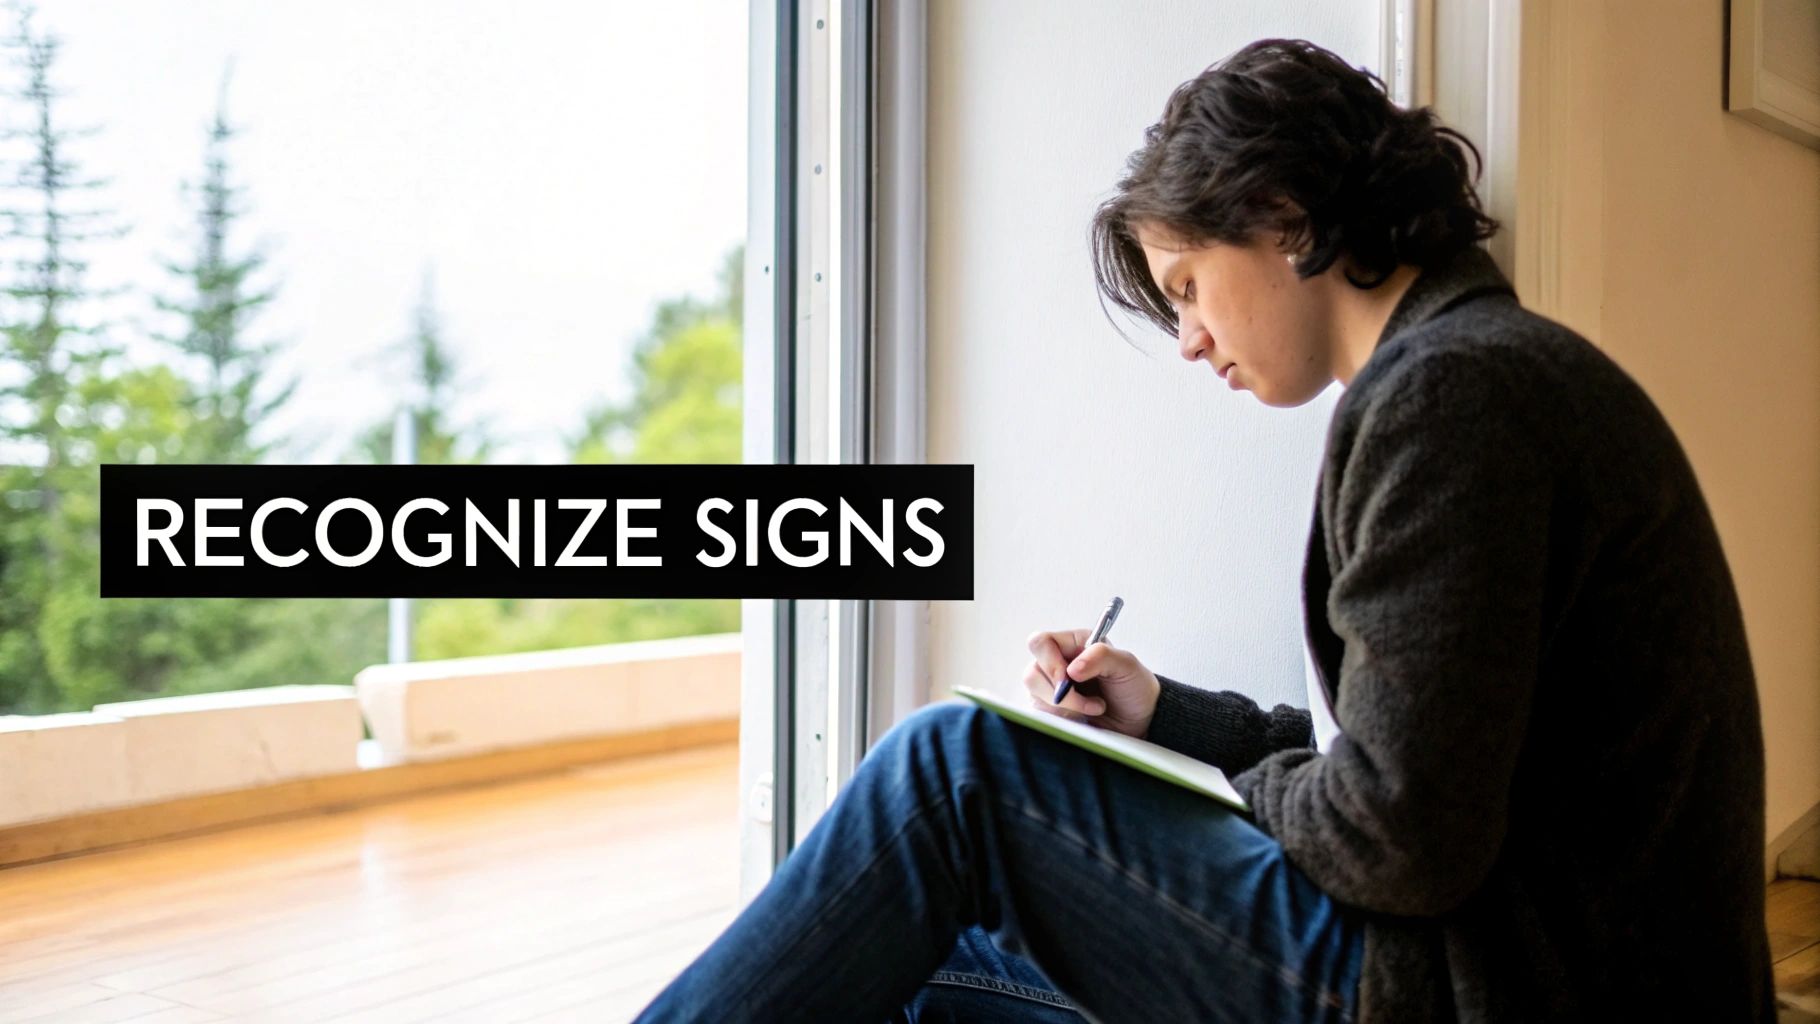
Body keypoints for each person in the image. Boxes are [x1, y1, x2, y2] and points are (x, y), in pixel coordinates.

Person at [633, 37, 1775, 1023]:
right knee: (950, 969)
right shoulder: (1481, 375)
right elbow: (1397, 765)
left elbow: (1395, 839)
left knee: (954, 773)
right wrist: (1160, 712)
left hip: (1489, 989)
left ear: (1281, 218)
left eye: (1184, 284)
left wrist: (1248, 788)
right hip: (1504, 967)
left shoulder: (1452, 398)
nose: (1186, 339)